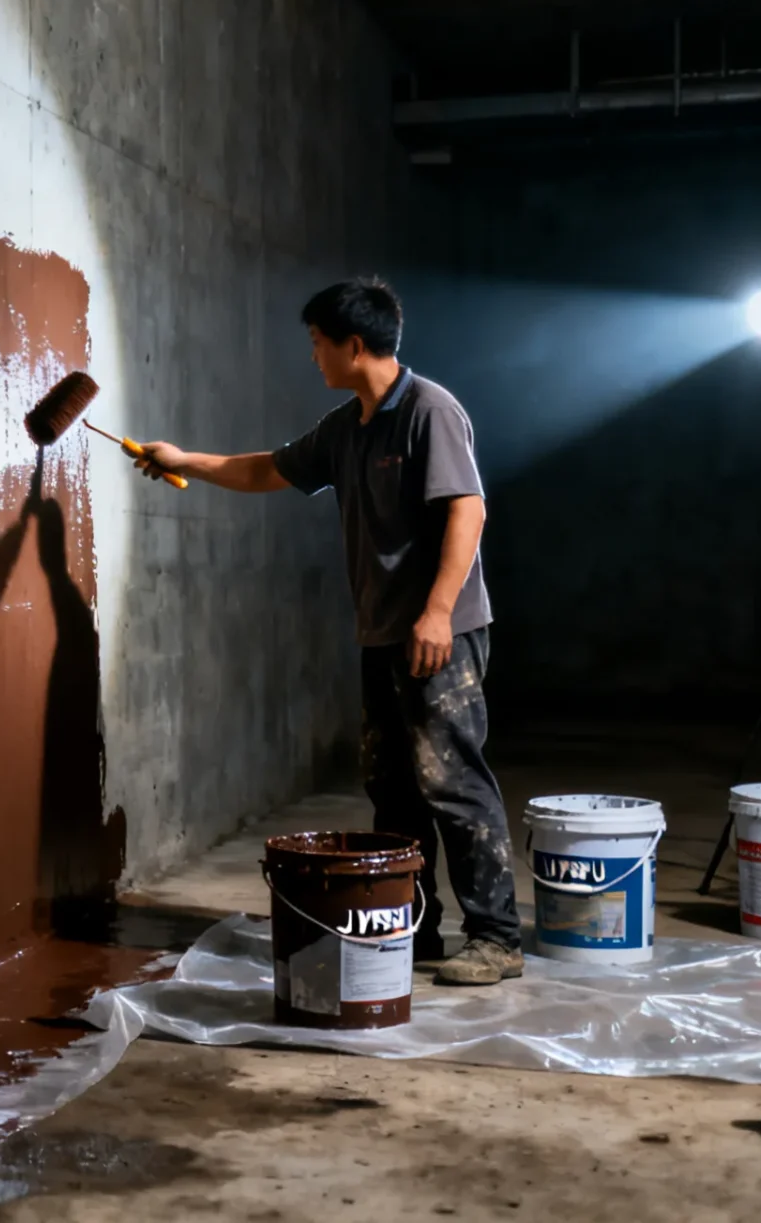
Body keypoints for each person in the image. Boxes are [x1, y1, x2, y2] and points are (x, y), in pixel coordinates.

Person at [136, 278, 524, 986]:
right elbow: (269, 469)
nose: (312, 355)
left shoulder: (429, 411)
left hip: (441, 630)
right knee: (393, 787)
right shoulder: (347, 427)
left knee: (452, 780)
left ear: (354, 343)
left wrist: (437, 610)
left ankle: (497, 936)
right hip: (383, 635)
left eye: (317, 341)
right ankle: (415, 927)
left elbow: (468, 512)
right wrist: (184, 459)